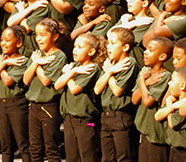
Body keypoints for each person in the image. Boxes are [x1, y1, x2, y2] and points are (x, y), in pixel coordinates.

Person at [23, 18, 68, 162]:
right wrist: (35, 62)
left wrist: (38, 65)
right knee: (35, 148)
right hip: (33, 106)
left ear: (54, 36)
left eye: (43, 35)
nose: (38, 39)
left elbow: (46, 80)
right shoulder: (37, 55)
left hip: (49, 107)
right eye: (37, 35)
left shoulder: (59, 56)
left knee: (51, 148)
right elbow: (25, 79)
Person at [55, 33, 104, 162]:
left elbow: (75, 89)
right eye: (74, 46)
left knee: (87, 155)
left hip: (86, 121)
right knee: (72, 156)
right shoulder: (75, 67)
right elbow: (57, 85)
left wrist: (69, 74)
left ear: (91, 51)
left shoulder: (92, 68)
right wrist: (73, 72)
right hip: (69, 119)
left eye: (80, 47)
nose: (75, 50)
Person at [95, 27, 140, 162]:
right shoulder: (111, 64)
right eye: (108, 42)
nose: (109, 46)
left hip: (121, 117)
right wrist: (109, 71)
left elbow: (118, 90)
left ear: (125, 47)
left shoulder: (129, 63)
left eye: (113, 43)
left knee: (124, 157)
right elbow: (97, 89)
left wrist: (109, 72)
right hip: (107, 116)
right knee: (107, 157)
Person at [0, 25, 30, 162]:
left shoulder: (22, 61)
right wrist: (3, 63)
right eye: (1, 40)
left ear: (19, 43)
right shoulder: (1, 59)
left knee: (23, 144)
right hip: (1, 104)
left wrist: (3, 65)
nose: (3, 43)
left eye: (7, 40)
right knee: (5, 145)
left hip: (17, 104)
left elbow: (8, 81)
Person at [132, 36, 174, 162]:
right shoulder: (146, 73)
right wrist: (146, 82)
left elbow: (148, 101)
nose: (145, 52)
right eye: (146, 49)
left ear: (162, 57)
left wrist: (143, 81)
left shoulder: (164, 76)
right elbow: (134, 99)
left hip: (156, 133)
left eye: (151, 50)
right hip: (144, 131)